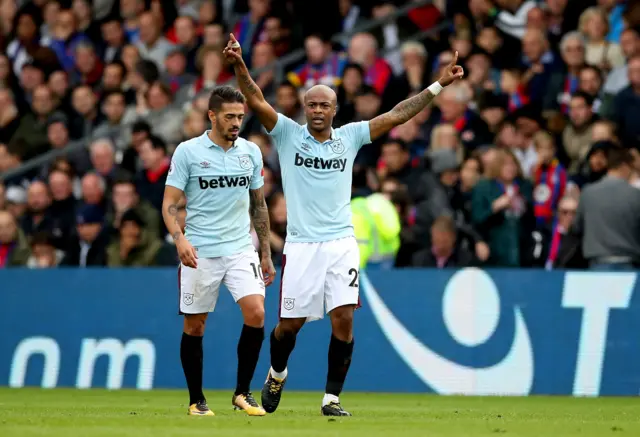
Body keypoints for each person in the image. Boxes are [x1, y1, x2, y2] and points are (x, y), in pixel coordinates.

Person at [223, 33, 464, 416]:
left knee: (345, 320)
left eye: (325, 105)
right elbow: (255, 98)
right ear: (305, 107)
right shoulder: (287, 134)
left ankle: (331, 398)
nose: (317, 110)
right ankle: (277, 372)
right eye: (312, 104)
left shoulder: (351, 137)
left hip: (340, 244)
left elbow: (398, 113)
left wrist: (438, 84)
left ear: (335, 109)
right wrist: (238, 64)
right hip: (301, 245)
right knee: (290, 326)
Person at [162, 85, 276, 417]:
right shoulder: (188, 152)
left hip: (241, 248)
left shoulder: (251, 153)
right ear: (212, 116)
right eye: (229, 116)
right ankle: (197, 400)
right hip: (201, 251)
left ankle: (243, 393)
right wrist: (180, 239)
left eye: (240, 116)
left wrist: (265, 252)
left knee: (256, 313)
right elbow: (169, 203)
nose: (236, 122)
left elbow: (259, 205)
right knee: (195, 325)